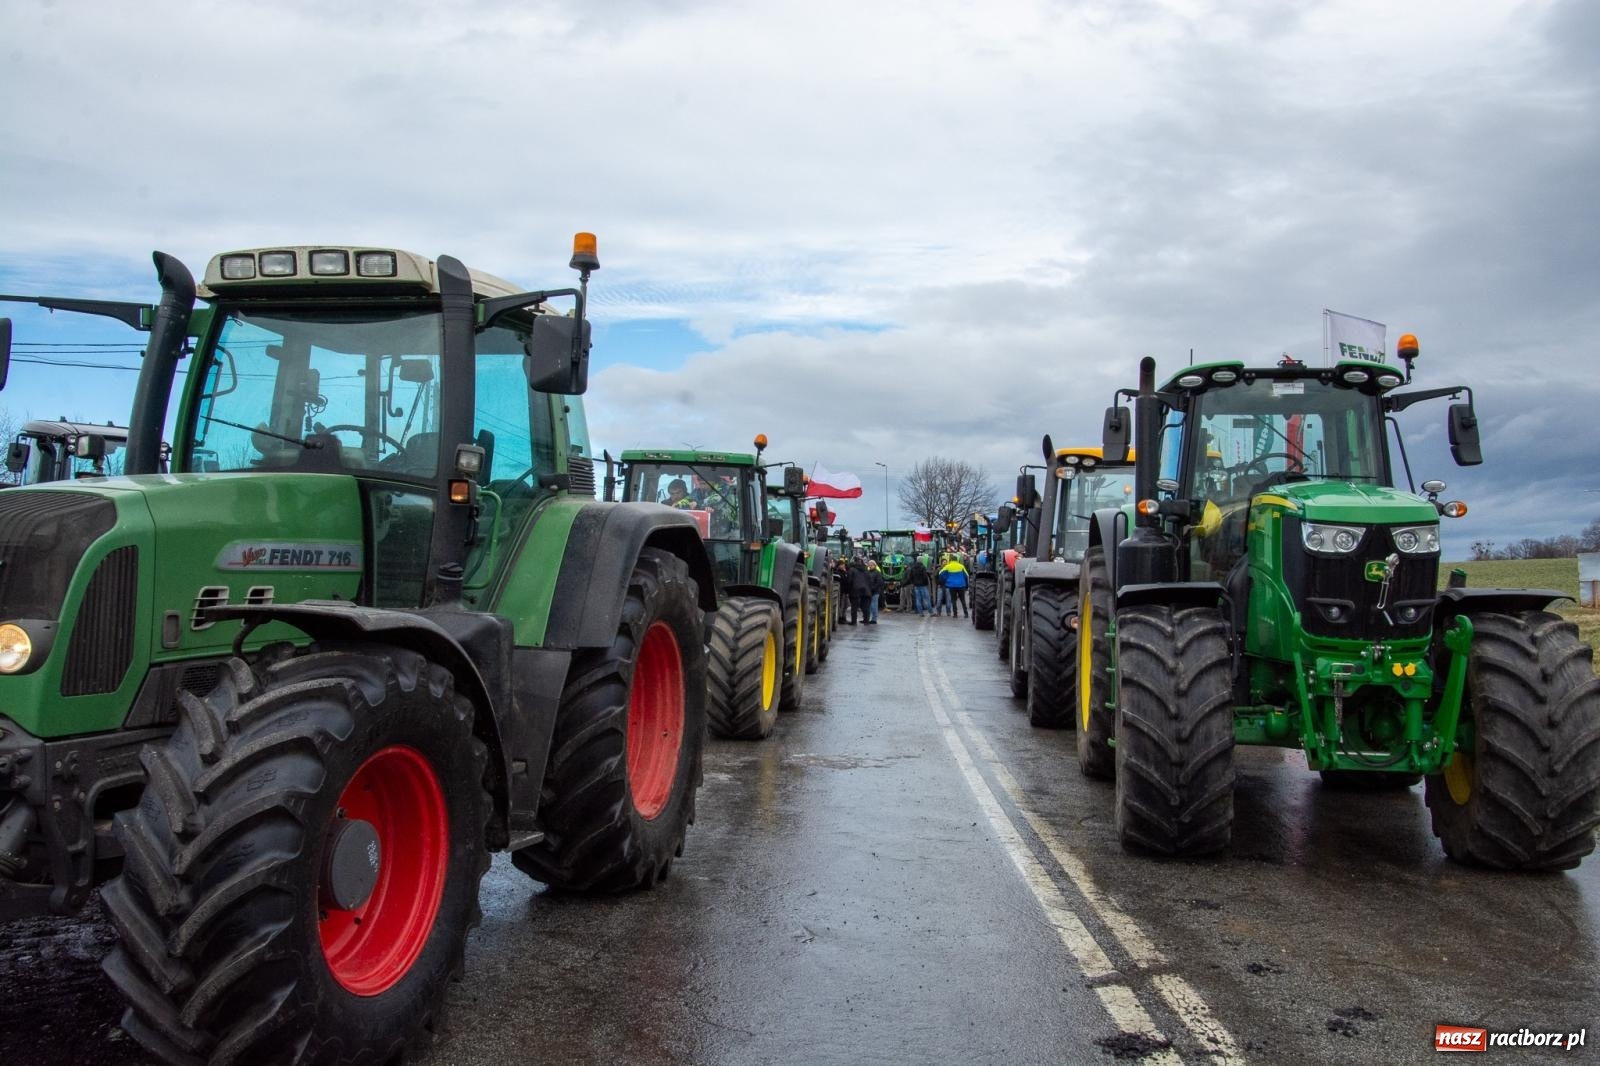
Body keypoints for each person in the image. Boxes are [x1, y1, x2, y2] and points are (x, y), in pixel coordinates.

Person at [847, 557, 871, 625]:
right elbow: (869, 580)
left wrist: (849, 589)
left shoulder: (852, 569)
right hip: (866, 590)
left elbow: (849, 580)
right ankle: (866, 621)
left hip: (855, 590)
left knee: (854, 607)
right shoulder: (866, 570)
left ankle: (854, 621)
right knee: (865, 607)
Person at [865, 559, 885, 624]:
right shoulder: (867, 572)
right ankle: (869, 618)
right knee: (869, 606)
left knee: (874, 606)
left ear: (874, 565)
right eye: (869, 565)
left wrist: (873, 588)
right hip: (869, 591)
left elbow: (879, 582)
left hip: (875, 592)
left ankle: (874, 619)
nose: (870, 566)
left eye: (871, 565)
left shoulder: (877, 573)